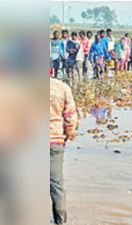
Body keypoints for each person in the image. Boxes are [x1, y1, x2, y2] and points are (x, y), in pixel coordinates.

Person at [50, 71, 78, 224]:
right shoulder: (62, 88)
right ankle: (60, 221)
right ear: (51, 71)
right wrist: (65, 136)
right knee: (56, 185)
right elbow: (71, 118)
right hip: (54, 141)